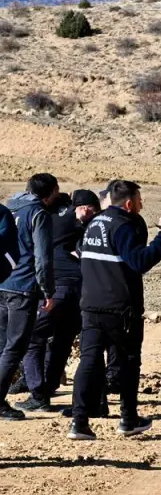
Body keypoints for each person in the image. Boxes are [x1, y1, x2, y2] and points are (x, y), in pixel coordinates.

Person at [69, 180, 161, 440]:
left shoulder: (95, 223)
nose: (142, 204)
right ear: (129, 203)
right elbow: (140, 261)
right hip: (119, 309)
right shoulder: (123, 225)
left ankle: (79, 421)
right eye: (139, 200)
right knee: (128, 362)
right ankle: (128, 419)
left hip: (90, 306)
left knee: (89, 362)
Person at [17, 189, 99, 413]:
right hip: (79, 287)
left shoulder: (44, 219)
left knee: (33, 337)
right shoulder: (77, 222)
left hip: (57, 286)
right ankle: (49, 387)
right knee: (63, 339)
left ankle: (38, 394)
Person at [1, 173, 59, 421]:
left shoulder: (9, 208)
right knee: (15, 347)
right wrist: (48, 291)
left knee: (2, 345)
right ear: (50, 192)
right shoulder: (39, 214)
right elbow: (43, 258)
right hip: (23, 287)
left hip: (3, 282)